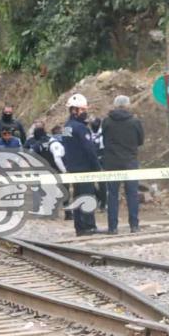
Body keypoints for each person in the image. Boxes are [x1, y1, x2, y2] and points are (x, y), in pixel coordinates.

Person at [102, 95, 144, 234]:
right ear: (128, 105)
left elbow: (105, 139)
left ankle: (112, 227)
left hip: (111, 162)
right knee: (132, 194)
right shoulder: (134, 122)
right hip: (130, 162)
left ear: (114, 105)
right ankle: (134, 225)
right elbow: (140, 140)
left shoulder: (107, 122)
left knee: (112, 194)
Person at [62, 93, 101, 236]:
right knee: (87, 197)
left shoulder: (67, 127)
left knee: (78, 197)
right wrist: (97, 167)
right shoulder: (80, 128)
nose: (85, 113)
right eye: (83, 110)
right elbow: (89, 149)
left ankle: (79, 227)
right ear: (74, 110)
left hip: (73, 168)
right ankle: (89, 226)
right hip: (84, 168)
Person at [89, 117, 107, 211]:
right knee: (89, 182)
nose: (93, 125)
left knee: (102, 183)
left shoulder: (102, 134)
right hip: (91, 160)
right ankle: (99, 197)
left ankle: (103, 204)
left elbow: (104, 149)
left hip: (101, 160)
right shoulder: (89, 134)